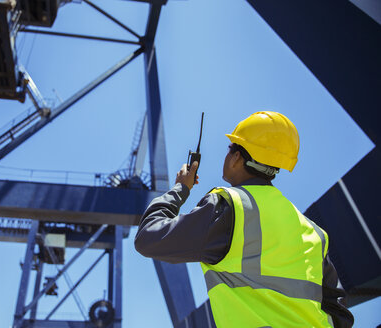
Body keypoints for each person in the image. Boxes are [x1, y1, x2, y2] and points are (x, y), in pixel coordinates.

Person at [134, 111, 354, 327]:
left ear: (237, 157)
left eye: (230, 148)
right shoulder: (314, 232)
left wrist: (180, 189)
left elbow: (148, 237)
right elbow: (339, 312)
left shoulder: (230, 206)